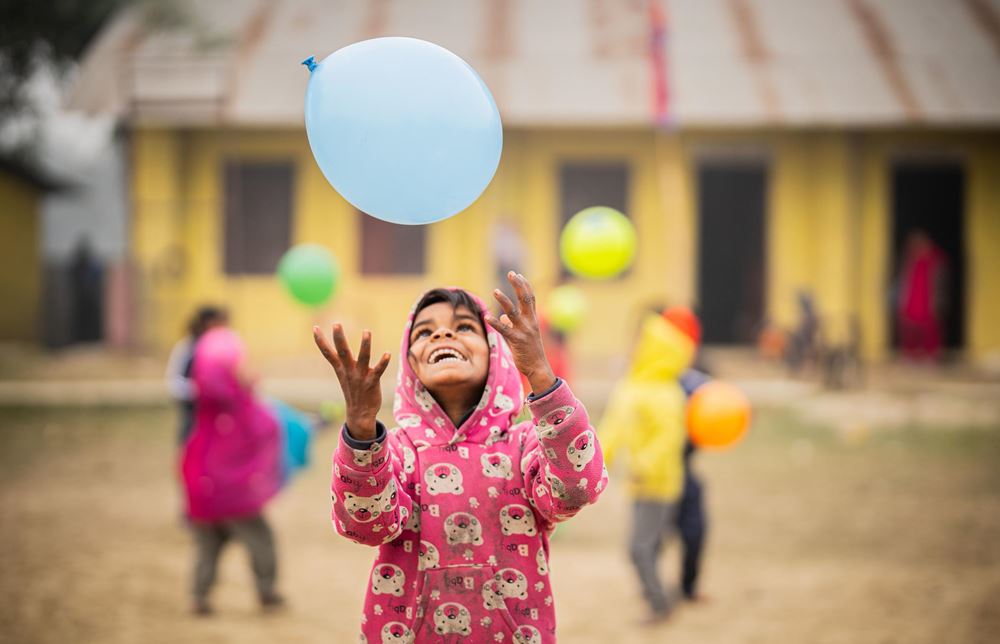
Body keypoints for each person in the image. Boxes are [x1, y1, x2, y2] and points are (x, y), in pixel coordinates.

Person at [313, 272, 607, 643]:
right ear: (411, 366)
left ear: (496, 355)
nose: (442, 334)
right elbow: (366, 524)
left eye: (464, 327)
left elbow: (576, 490)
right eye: (424, 332)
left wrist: (542, 376)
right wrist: (360, 427)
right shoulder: (397, 453)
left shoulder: (525, 445)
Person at [181, 327, 286, 615]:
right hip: (235, 492)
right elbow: (266, 428)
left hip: (203, 488)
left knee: (208, 545)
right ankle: (267, 590)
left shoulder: (205, 404)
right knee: (260, 540)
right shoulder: (239, 403)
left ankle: (199, 595)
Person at [599, 311, 696, 624]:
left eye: (641, 341)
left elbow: (670, 439)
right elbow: (613, 428)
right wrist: (594, 462)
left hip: (659, 482)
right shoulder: (632, 385)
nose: (634, 346)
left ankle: (659, 604)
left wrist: (644, 465)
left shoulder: (666, 392)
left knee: (639, 548)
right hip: (639, 483)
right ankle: (660, 594)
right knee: (650, 545)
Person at [166, 306, 228, 446]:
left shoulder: (223, 350)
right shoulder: (188, 347)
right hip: (194, 412)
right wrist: (199, 390)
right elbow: (174, 381)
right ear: (207, 323)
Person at [896, 229, 948, 360]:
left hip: (928, 299)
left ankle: (931, 354)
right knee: (909, 328)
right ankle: (910, 354)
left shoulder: (936, 258)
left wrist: (937, 299)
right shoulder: (909, 259)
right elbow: (905, 280)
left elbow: (940, 282)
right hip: (913, 299)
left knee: (930, 327)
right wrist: (903, 299)